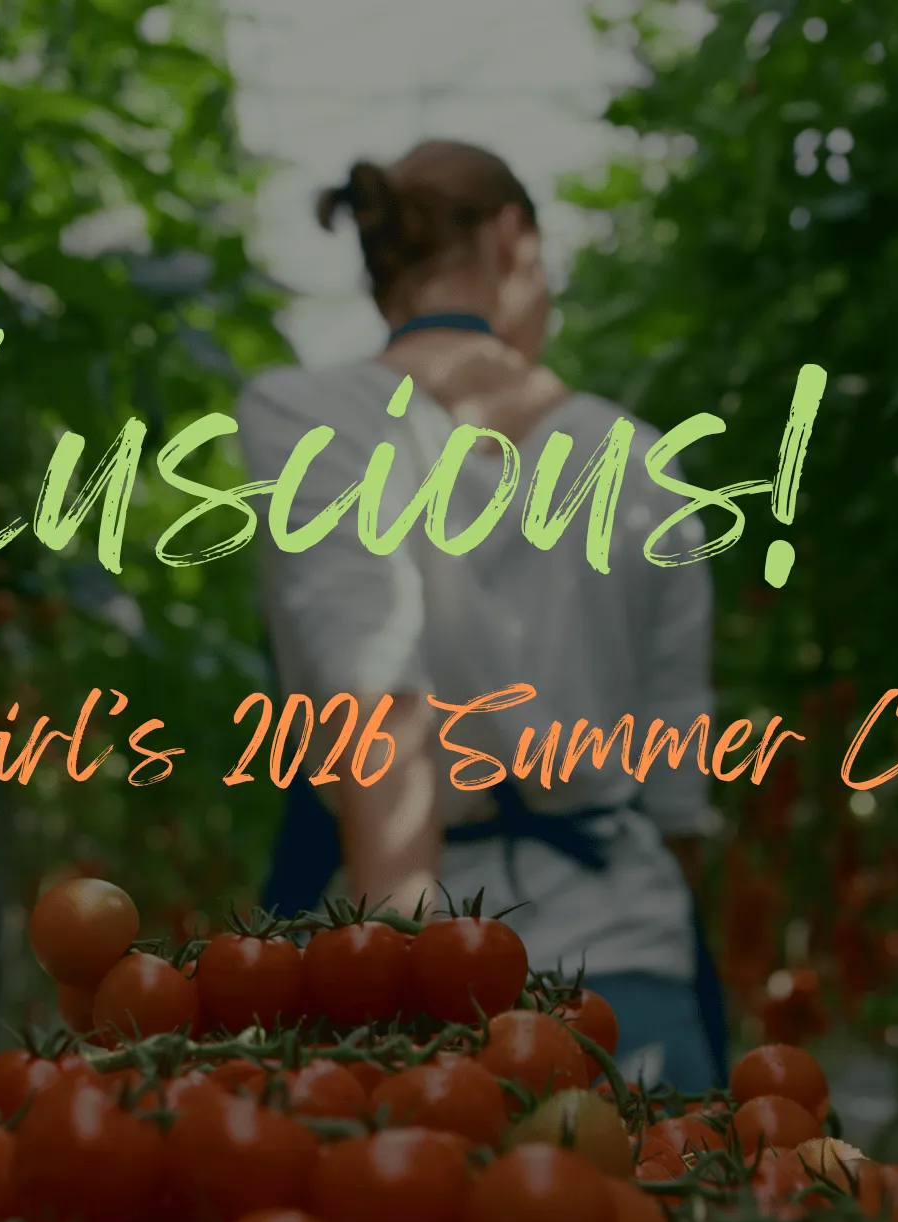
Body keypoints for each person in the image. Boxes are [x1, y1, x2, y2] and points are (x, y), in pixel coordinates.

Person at [233, 140, 729, 1093]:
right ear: (513, 239)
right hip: (626, 957)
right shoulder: (643, 461)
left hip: (417, 946)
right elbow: (674, 792)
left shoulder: (310, 417)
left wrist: (399, 963)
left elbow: (369, 685)